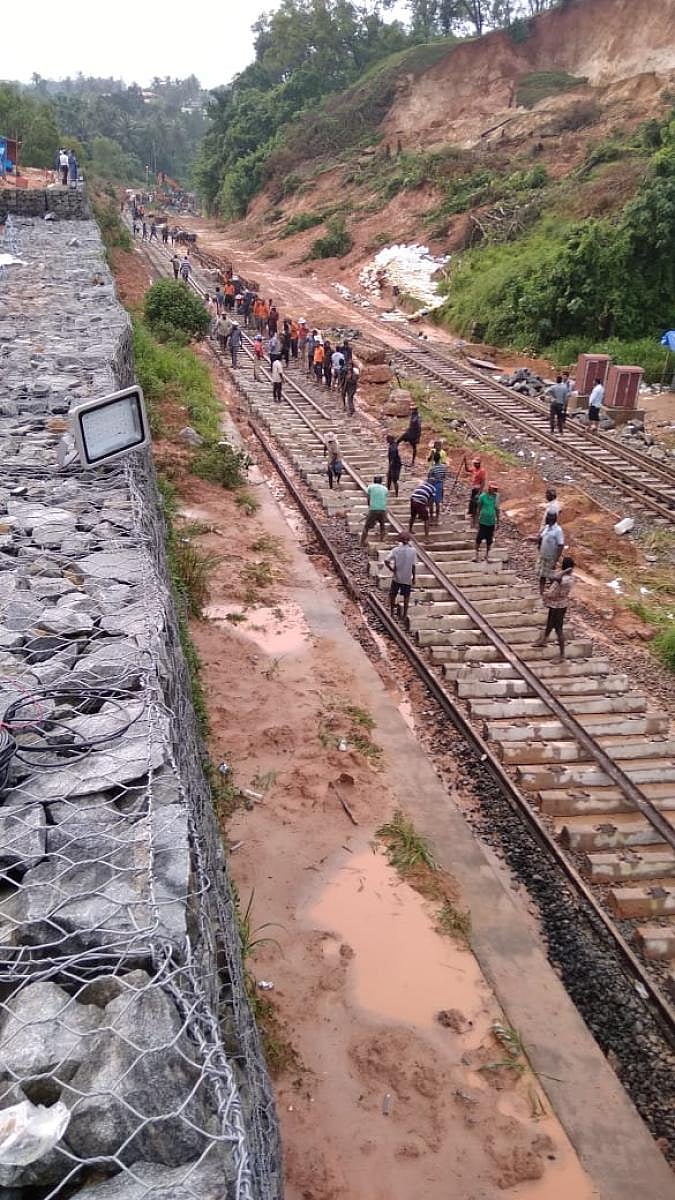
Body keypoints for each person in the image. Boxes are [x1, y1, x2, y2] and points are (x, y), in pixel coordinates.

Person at [535, 556, 574, 658]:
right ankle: (544, 640)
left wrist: (565, 571)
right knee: (549, 623)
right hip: (555, 604)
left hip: (559, 606)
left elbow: (554, 578)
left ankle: (562, 655)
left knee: (558, 629)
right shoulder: (566, 577)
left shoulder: (565, 579)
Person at [385, 531, 417, 621]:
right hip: (407, 578)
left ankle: (392, 612)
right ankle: (404, 614)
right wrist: (414, 577)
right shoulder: (413, 551)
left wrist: (392, 569)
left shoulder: (396, 550)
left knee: (393, 595)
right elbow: (413, 566)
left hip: (397, 577)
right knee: (406, 597)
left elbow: (386, 561)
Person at [537, 511, 565, 594]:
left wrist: (556, 559)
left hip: (551, 557)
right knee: (542, 575)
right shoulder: (546, 527)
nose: (548, 519)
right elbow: (541, 538)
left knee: (550, 576)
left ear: (554, 519)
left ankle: (556, 591)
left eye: (549, 517)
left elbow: (561, 545)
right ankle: (541, 593)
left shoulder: (558, 530)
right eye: (548, 517)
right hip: (543, 556)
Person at [474, 484, 500, 562]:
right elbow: (478, 508)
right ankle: (476, 555)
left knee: (489, 539)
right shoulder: (482, 496)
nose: (494, 491)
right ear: (489, 489)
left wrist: (498, 521)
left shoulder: (495, 498)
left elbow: (497, 509)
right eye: (493, 489)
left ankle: (487, 555)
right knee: (479, 538)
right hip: (483, 521)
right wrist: (477, 519)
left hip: (491, 521)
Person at [361, 476, 388, 545]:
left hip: (373, 509)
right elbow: (384, 498)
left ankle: (362, 542)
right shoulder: (385, 488)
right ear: (381, 482)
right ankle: (382, 540)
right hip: (382, 509)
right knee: (382, 525)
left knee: (366, 527)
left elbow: (368, 497)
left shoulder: (370, 487)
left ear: (374, 481)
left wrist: (370, 505)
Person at [464, 456, 486, 528]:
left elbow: (483, 482)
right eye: (474, 463)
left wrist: (480, 492)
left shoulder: (481, 471)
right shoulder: (474, 469)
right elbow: (467, 470)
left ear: (479, 464)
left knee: (475, 504)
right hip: (473, 488)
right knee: (472, 502)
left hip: (477, 489)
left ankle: (475, 521)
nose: (474, 464)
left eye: (476, 463)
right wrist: (465, 462)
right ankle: (472, 516)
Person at [427, 452, 448, 521]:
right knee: (437, 503)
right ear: (440, 459)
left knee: (431, 502)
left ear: (434, 459)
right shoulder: (444, 467)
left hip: (433, 485)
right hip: (440, 485)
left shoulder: (432, 468)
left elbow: (429, 477)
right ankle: (437, 517)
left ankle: (431, 517)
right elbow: (445, 477)